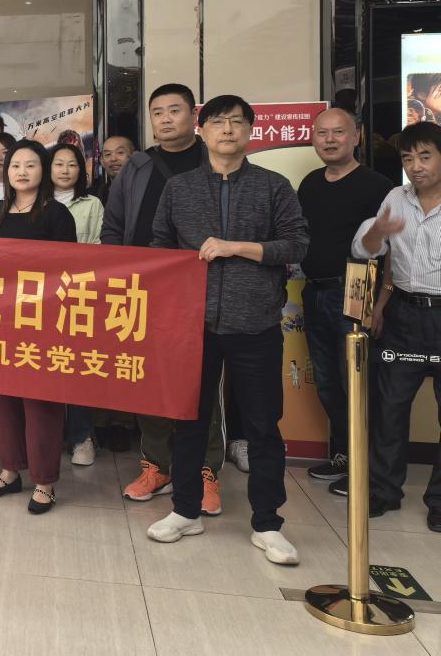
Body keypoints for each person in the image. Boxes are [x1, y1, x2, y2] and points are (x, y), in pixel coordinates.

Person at [147, 94, 309, 565]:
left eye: (237, 122)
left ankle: (268, 523)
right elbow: (160, 247)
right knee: (189, 420)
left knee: (262, 424)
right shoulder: (179, 188)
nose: (228, 130)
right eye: (218, 122)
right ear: (203, 130)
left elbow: (296, 244)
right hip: (192, 325)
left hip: (255, 322)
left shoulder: (273, 186)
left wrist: (236, 247)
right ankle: (185, 510)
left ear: (250, 131)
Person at [104, 84, 226, 512]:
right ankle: (157, 465)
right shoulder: (137, 166)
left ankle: (206, 470)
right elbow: (114, 226)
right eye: (157, 112)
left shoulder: (214, 160)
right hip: (144, 290)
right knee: (148, 378)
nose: (166, 118)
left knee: (201, 382)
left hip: (200, 290)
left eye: (175, 110)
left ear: (194, 116)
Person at [0, 139, 77, 513]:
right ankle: (9, 470)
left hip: (42, 322)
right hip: (1, 319)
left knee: (40, 403)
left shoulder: (56, 214)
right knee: (4, 399)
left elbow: (67, 272)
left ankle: (44, 482)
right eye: (15, 165)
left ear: (44, 171)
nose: (21, 171)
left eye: (31, 165)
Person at [297, 108, 393, 494]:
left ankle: (367, 470)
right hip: (314, 289)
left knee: (356, 380)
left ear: (357, 136)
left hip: (357, 288)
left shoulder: (378, 186)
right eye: (322, 133)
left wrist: (380, 303)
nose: (329, 140)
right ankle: (344, 455)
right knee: (326, 381)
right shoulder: (309, 184)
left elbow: (393, 250)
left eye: (339, 132)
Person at [353, 121, 441, 533]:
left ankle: (439, 501)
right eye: (408, 158)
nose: (416, 166)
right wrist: (377, 232)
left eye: (425, 156)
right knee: (389, 407)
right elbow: (366, 249)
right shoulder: (395, 198)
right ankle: (384, 490)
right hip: (404, 314)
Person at [49, 141, 105, 467]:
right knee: (47, 366)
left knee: (79, 367)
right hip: (43, 298)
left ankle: (81, 437)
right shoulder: (37, 202)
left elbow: (98, 246)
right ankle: (51, 434)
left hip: (80, 293)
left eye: (72, 164)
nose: (65, 170)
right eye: (58, 164)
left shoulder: (92, 203)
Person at [94, 135, 135, 200]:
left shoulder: (144, 190)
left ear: (133, 157)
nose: (113, 159)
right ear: (102, 162)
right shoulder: (96, 196)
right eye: (108, 154)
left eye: (120, 152)